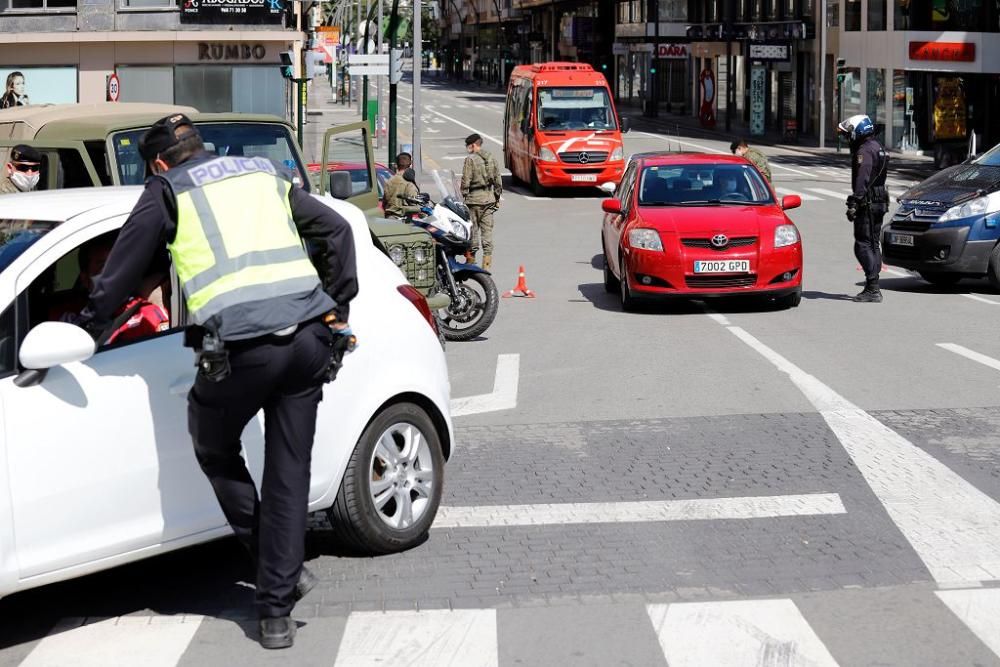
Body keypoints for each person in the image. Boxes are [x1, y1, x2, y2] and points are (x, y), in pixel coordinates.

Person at [76, 113, 358, 649]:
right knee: (288, 472)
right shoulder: (260, 172)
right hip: (306, 343)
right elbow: (338, 230)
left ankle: (279, 569)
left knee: (214, 446)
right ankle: (277, 609)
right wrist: (337, 308)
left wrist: (87, 327)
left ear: (159, 162)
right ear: (202, 148)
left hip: (244, 351)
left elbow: (118, 274)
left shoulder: (166, 189)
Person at [838, 114, 889, 303]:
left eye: (849, 133)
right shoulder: (878, 147)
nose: (847, 138)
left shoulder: (865, 151)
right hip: (880, 199)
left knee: (862, 244)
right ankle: (872, 286)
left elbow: (863, 179)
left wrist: (854, 202)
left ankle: (873, 288)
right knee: (873, 243)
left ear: (859, 131)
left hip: (867, 202)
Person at [461, 133, 502, 269]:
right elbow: (498, 180)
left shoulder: (470, 160)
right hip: (488, 199)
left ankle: (471, 262)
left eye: (468, 146)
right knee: (487, 232)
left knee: (473, 231)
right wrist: (496, 197)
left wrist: (463, 197)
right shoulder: (490, 157)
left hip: (473, 201)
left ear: (473, 145)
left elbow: (465, 182)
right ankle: (487, 264)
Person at [382, 152, 421, 219]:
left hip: (389, 219)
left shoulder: (389, 180)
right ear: (410, 163)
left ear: (397, 164)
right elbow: (414, 203)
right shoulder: (408, 182)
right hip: (402, 220)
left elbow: (384, 203)